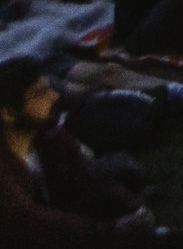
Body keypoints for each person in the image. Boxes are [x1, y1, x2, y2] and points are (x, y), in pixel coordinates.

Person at [0, 56, 152, 245]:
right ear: (8, 114)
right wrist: (108, 231)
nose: (54, 96)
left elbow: (85, 178)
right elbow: (30, 221)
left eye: (49, 87)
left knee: (122, 171)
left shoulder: (49, 136)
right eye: (40, 93)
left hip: (58, 212)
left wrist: (131, 206)